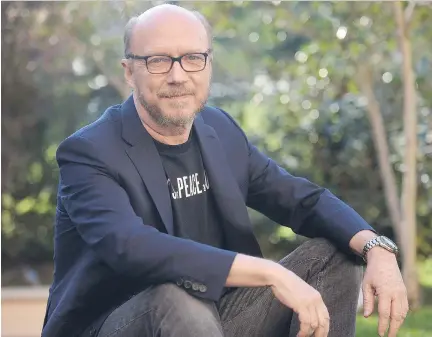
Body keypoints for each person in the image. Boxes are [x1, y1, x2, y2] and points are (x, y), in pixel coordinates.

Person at [42, 4, 409, 337]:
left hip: (214, 321)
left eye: (192, 58)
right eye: (157, 61)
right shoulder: (90, 152)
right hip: (117, 324)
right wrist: (270, 272)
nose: (178, 75)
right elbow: (133, 248)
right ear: (129, 71)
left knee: (336, 254)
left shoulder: (219, 130)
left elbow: (300, 200)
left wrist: (376, 248)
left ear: (208, 63)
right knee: (173, 297)